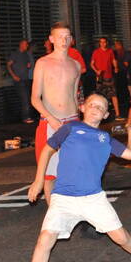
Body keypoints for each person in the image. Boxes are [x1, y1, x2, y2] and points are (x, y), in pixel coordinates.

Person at [6, 95, 131, 262]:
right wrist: (38, 180)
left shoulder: (104, 138)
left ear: (106, 115)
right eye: (92, 105)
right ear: (82, 108)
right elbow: (47, 150)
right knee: (45, 238)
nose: (95, 109)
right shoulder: (69, 128)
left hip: (93, 198)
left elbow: (130, 155)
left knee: (120, 236)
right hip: (63, 197)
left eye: (101, 108)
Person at [32, 21, 84, 202]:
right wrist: (51, 118)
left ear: (71, 39)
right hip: (50, 122)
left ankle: (75, 213)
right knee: (49, 174)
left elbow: (75, 96)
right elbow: (34, 98)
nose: (64, 40)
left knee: (74, 171)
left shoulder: (76, 66)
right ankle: (54, 219)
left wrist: (85, 112)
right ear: (51, 39)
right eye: (60, 37)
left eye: (67, 37)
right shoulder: (43, 63)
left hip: (72, 122)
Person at [7, 39, 36, 124]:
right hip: (19, 80)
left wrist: (28, 66)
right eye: (25, 44)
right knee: (25, 98)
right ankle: (26, 117)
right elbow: (9, 65)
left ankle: (27, 116)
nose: (27, 46)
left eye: (27, 44)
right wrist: (14, 76)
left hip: (26, 79)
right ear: (20, 45)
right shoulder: (15, 54)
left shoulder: (26, 55)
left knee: (27, 98)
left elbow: (27, 65)